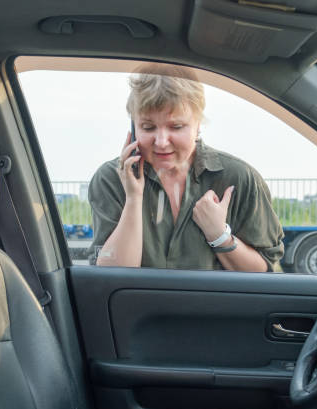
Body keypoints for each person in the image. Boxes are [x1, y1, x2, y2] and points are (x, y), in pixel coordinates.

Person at [87, 65, 284, 271]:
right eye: (148, 127)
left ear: (198, 124)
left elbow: (264, 271)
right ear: (133, 127)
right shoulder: (109, 179)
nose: (161, 141)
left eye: (176, 127)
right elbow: (110, 276)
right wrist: (133, 198)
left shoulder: (240, 178)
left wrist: (219, 235)